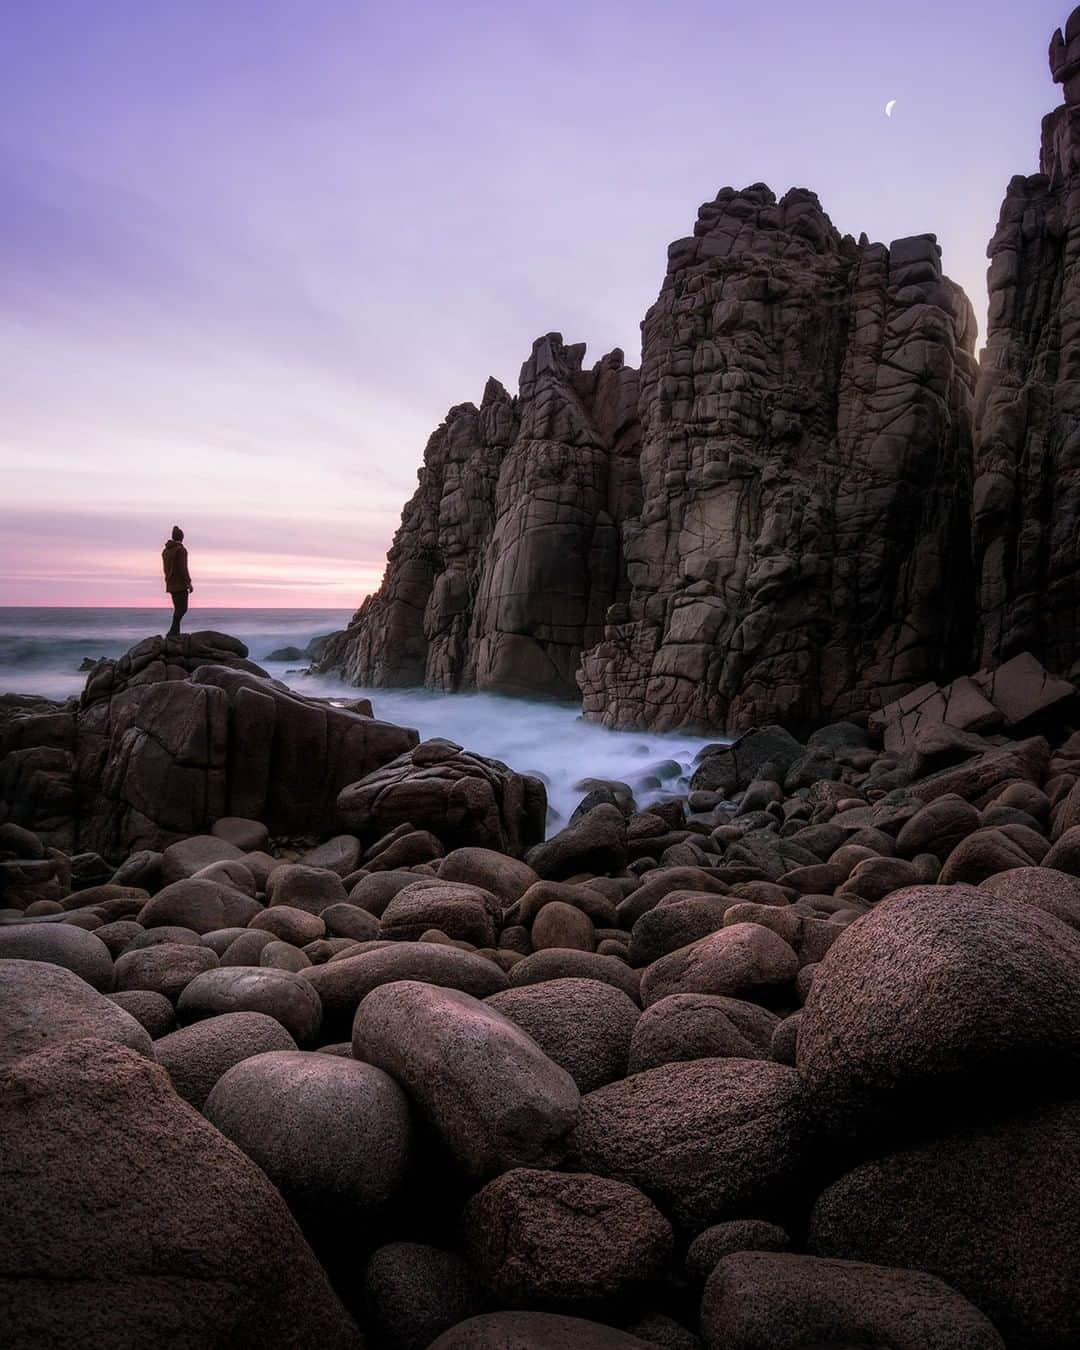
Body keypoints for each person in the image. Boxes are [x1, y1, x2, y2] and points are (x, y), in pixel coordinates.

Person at [162, 525, 193, 637]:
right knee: (183, 609)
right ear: (182, 537)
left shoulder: (166, 551)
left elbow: (166, 568)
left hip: (170, 583)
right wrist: (189, 583)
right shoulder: (181, 550)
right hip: (180, 584)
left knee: (178, 609)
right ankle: (172, 631)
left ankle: (175, 632)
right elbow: (183, 568)